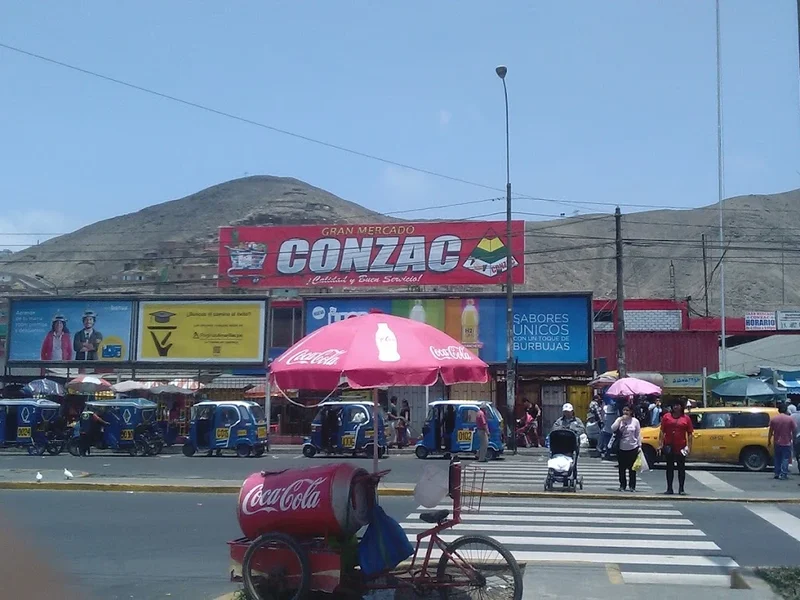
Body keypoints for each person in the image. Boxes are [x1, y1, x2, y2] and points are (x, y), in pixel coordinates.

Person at [658, 401, 693, 495]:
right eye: (674, 405)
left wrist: (689, 447)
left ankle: (681, 489)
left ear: (681, 407)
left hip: (681, 446)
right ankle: (669, 488)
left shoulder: (686, 418)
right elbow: (662, 431)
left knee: (681, 468)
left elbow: (690, 433)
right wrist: (660, 444)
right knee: (669, 468)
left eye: (677, 405)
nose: (675, 407)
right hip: (669, 445)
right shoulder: (667, 417)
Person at [612, 405, 642, 492]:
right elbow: (613, 428)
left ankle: (632, 486)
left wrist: (639, 446)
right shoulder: (619, 420)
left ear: (631, 412)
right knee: (622, 469)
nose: (625, 412)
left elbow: (638, 434)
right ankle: (622, 485)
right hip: (621, 448)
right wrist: (620, 420)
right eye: (624, 410)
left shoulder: (635, 421)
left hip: (633, 447)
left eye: (627, 410)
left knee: (632, 469)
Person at [768, 403, 797, 481]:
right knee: (785, 458)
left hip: (776, 442)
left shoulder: (774, 419)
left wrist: (769, 440)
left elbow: (770, 431)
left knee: (777, 458)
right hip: (787, 442)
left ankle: (777, 473)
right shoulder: (790, 419)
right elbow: (794, 430)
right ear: (786, 410)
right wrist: (794, 439)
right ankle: (784, 474)